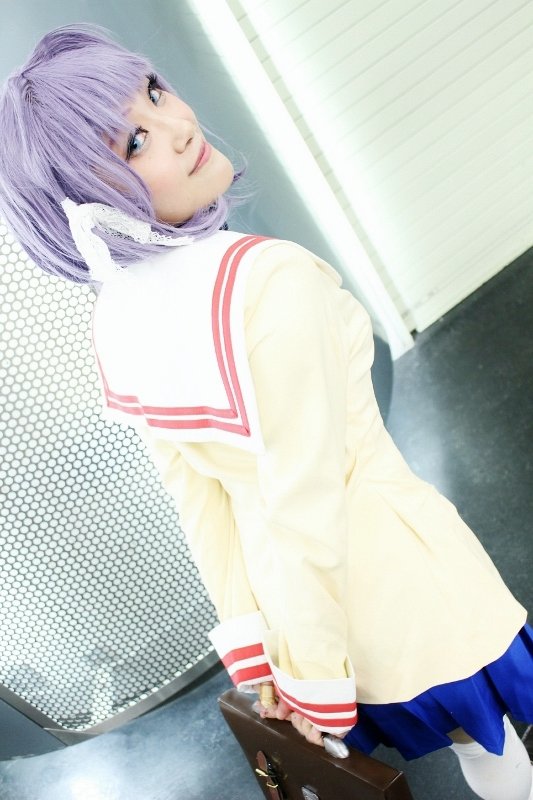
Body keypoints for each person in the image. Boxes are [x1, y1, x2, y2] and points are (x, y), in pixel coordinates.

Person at [0, 24, 531, 800]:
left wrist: (268, 661)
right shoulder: (269, 279)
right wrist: (313, 681)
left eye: (154, 92)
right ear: (87, 201)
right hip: (402, 585)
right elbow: (306, 499)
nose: (178, 125)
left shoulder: (117, 320)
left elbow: (203, 508)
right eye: (134, 142)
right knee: (488, 747)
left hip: (296, 616)